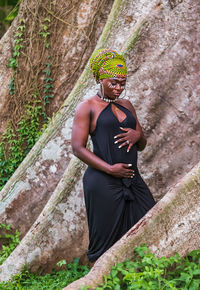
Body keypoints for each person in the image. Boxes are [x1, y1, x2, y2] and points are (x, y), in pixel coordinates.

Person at [71, 48, 155, 263]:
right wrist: (110, 169)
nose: (119, 88)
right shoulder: (87, 107)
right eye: (113, 83)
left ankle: (140, 276)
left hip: (131, 179)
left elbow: (142, 145)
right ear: (100, 79)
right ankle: (99, 281)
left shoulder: (126, 105)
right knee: (105, 237)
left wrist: (138, 134)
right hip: (102, 181)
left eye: (122, 83)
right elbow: (78, 148)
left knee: (150, 220)